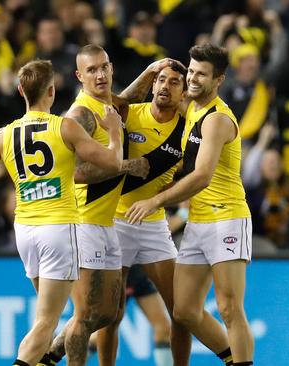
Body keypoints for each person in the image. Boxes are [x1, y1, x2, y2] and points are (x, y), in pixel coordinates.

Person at [0, 59, 123, 366]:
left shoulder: (4, 135)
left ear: (21, 91)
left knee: (43, 319)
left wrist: (1, 165)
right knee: (46, 324)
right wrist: (114, 132)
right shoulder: (65, 127)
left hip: (25, 231)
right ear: (52, 90)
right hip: (59, 229)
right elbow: (113, 163)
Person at [89, 63, 233, 366]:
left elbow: (201, 169)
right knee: (111, 315)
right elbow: (100, 105)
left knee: (180, 311)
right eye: (161, 81)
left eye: (175, 83)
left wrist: (174, 186)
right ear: (152, 86)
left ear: (183, 93)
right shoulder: (129, 113)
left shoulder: (189, 127)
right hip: (117, 219)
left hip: (154, 225)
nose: (166, 86)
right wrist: (146, 73)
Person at [38, 45, 172, 366]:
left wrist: (150, 72)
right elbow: (74, 172)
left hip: (106, 222)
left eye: (104, 67)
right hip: (83, 220)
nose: (99, 75)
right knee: (86, 316)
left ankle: (47, 356)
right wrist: (125, 165)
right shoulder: (80, 115)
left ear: (111, 68)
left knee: (110, 313)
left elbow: (124, 102)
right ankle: (54, 358)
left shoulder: (107, 104)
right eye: (92, 70)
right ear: (79, 76)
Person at [126, 44, 253, 366]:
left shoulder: (218, 119)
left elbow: (202, 176)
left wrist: (154, 200)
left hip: (227, 218)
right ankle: (231, 359)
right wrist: (149, 74)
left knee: (229, 308)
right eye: (192, 72)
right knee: (183, 312)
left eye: (202, 75)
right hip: (198, 221)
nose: (193, 79)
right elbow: (125, 104)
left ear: (219, 79)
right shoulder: (192, 107)